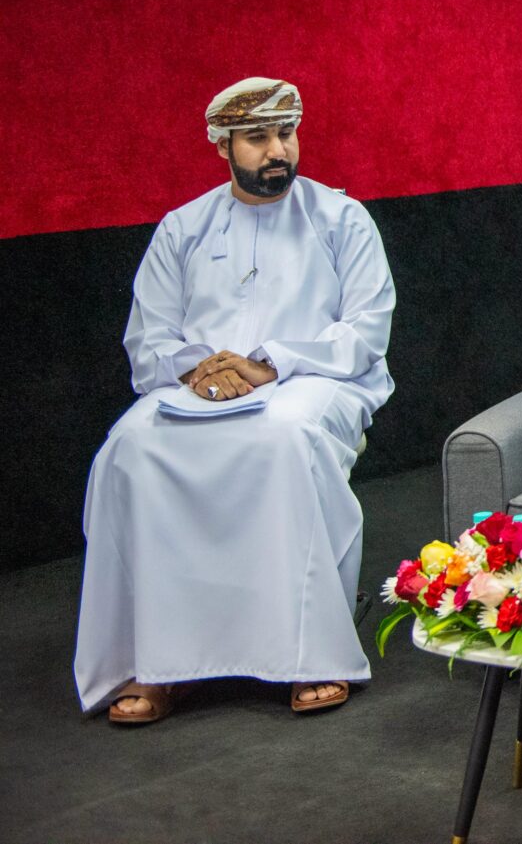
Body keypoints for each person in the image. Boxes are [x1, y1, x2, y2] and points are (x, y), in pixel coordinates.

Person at [75, 77, 396, 723]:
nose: (277, 150)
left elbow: (365, 330)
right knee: (128, 448)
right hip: (197, 386)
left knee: (282, 437)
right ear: (222, 145)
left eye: (286, 133)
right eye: (257, 138)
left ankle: (310, 652)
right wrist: (197, 368)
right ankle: (152, 662)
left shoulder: (341, 220)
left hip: (312, 380)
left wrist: (269, 363)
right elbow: (148, 339)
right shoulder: (182, 228)